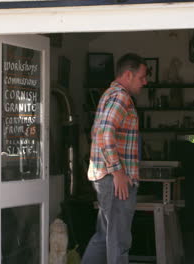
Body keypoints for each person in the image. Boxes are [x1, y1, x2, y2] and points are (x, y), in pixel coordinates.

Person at [82, 53, 147, 264]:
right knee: (118, 242)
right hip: (115, 180)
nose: (145, 82)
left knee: (104, 238)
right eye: (142, 77)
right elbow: (104, 133)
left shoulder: (110, 95)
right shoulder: (120, 97)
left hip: (107, 179)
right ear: (128, 75)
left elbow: (98, 132)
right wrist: (118, 171)